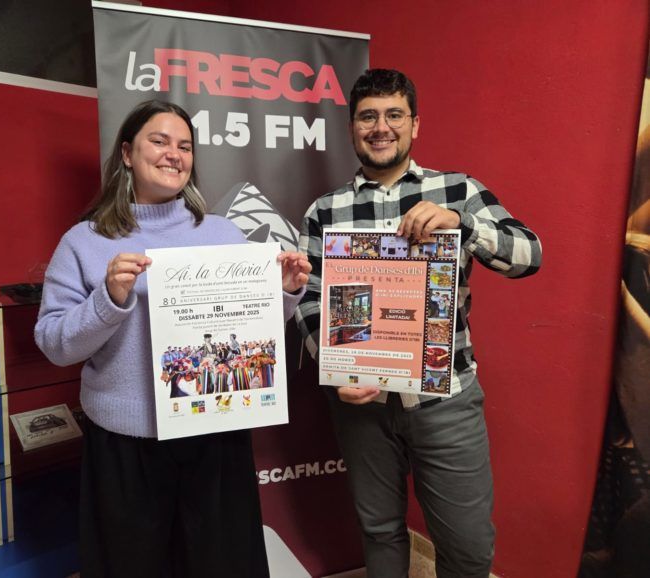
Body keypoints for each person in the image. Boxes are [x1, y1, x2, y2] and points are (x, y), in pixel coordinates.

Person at [34, 99, 310, 578]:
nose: (173, 154)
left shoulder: (223, 234)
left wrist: (282, 293)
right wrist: (108, 299)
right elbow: (54, 345)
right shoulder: (84, 240)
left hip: (216, 435)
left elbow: (250, 332)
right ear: (127, 153)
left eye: (184, 146)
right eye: (159, 141)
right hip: (127, 444)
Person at [295, 69, 542, 578]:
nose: (380, 127)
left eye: (394, 115)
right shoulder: (325, 210)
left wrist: (465, 226)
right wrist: (335, 366)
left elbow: (529, 255)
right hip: (362, 404)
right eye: (368, 116)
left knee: (469, 548)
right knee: (380, 532)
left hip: (444, 398)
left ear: (415, 125)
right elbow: (309, 298)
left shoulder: (457, 190)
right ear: (352, 127)